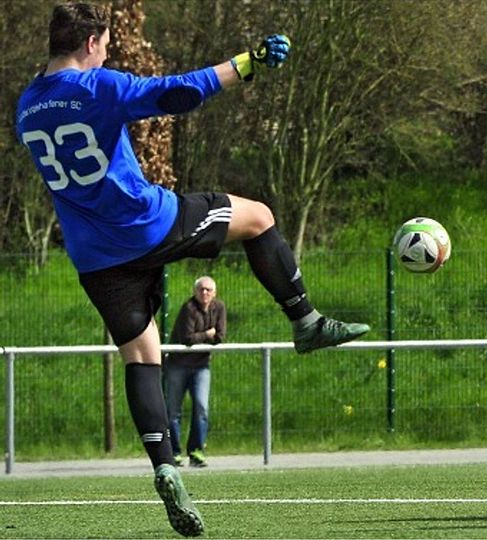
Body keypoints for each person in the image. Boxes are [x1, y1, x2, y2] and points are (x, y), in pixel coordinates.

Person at [16, 3, 369, 536]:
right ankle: (306, 321)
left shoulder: (26, 107)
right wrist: (248, 62)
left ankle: (164, 466)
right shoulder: (97, 86)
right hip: (149, 225)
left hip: (95, 257)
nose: (108, 51)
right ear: (90, 43)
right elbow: (179, 92)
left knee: (141, 355)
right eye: (106, 43)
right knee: (258, 218)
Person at [165, 276, 226, 468]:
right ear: (195, 291)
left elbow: (221, 336)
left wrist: (209, 336)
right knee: (173, 410)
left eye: (208, 290)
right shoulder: (188, 308)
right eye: (201, 289)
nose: (205, 293)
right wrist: (207, 334)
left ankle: (196, 451)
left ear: (214, 293)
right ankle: (174, 453)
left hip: (201, 365)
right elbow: (187, 338)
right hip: (178, 364)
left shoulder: (219, 308)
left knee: (201, 407)